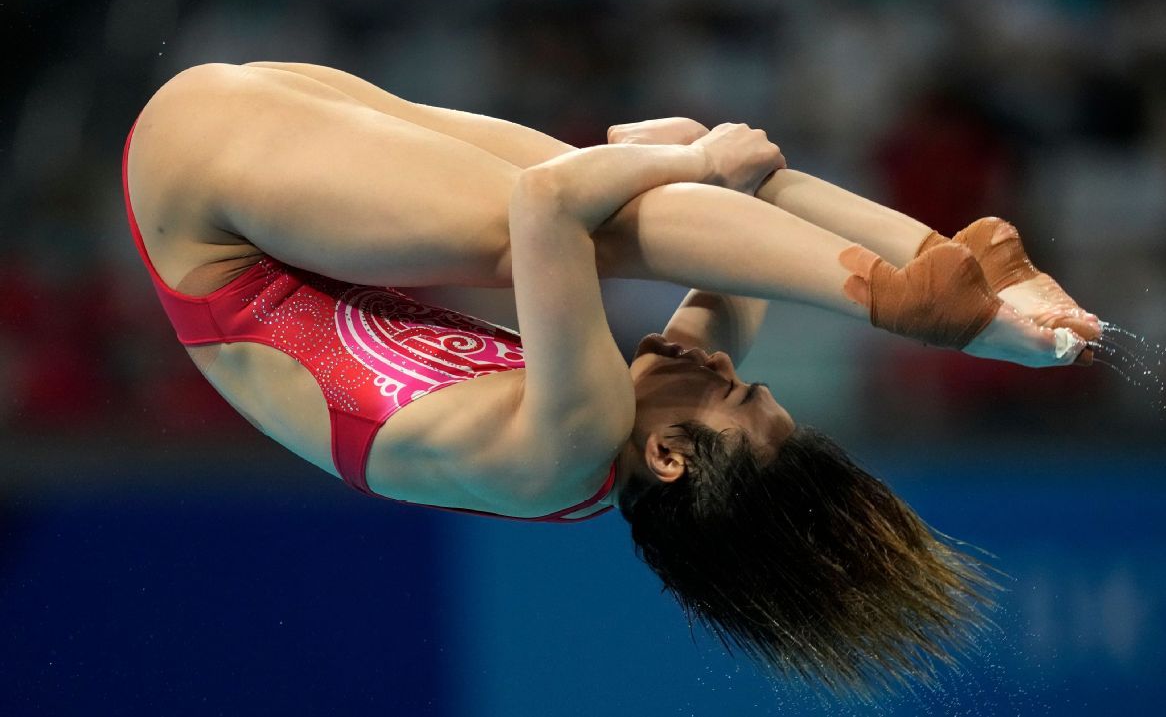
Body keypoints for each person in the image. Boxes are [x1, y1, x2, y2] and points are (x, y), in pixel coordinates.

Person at [122, 61, 1100, 695]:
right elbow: (736, 264)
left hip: (213, 220)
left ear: (672, 458)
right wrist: (717, 171)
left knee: (598, 222)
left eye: (738, 396)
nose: (722, 366)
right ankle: (958, 276)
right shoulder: (630, 447)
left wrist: (698, 161)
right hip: (262, 173)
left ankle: (927, 302)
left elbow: (551, 208)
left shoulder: (573, 441)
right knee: (661, 200)